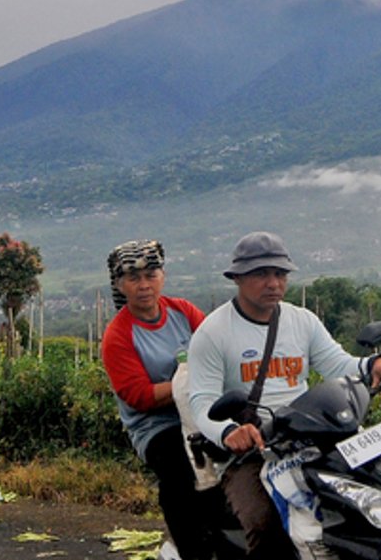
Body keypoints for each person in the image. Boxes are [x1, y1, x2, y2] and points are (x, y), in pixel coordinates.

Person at [185, 231, 381, 560]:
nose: (273, 283)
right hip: (253, 453)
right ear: (238, 279)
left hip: (312, 438)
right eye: (261, 274)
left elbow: (337, 364)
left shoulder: (302, 321)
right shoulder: (213, 332)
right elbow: (201, 401)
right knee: (264, 523)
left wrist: (373, 364)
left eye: (280, 274)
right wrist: (230, 432)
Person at [100, 239, 216, 560]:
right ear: (120, 285)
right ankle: (189, 549)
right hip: (156, 425)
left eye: (151, 275)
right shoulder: (118, 336)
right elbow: (140, 397)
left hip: (201, 412)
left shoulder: (183, 312)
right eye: (133, 278)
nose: (144, 285)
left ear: (163, 276)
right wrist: (186, 382)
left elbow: (216, 350)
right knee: (181, 470)